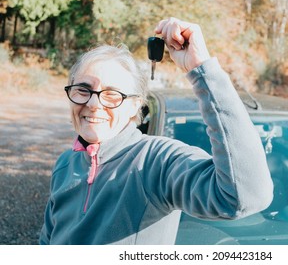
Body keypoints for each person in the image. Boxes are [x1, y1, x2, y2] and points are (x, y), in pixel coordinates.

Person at [39, 17, 273, 245]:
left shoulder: (155, 162)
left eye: (112, 94)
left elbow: (244, 196)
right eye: (82, 89)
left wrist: (201, 69)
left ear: (135, 105)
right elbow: (48, 241)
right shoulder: (65, 163)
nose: (93, 104)